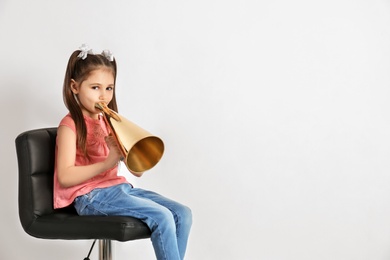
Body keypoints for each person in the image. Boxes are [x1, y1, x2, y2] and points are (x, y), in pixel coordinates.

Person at [53, 44, 192, 260]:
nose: (103, 96)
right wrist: (107, 162)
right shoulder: (69, 125)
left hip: (118, 189)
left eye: (109, 88)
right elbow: (65, 176)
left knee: (182, 214)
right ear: (74, 87)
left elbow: (137, 172)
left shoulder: (107, 120)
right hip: (89, 196)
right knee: (163, 217)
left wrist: (129, 153)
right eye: (95, 88)